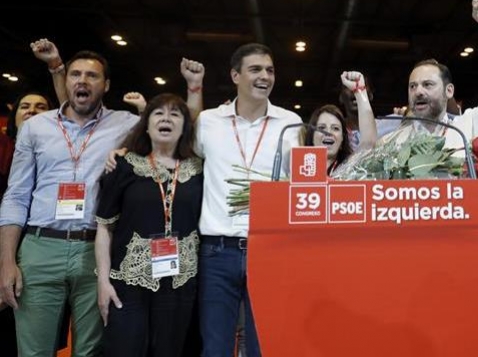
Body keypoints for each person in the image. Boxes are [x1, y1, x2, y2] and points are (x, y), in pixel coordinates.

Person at [0, 50, 141, 356]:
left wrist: (189, 94)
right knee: (34, 351)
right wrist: (6, 261)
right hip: (40, 248)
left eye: (92, 76)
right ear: (66, 81)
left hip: (96, 250)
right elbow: (16, 195)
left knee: (89, 352)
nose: (83, 81)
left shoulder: (126, 125)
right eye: (76, 74)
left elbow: (177, 128)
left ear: (105, 85)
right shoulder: (36, 127)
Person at [194, 43, 301, 357]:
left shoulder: (290, 123)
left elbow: (298, 184)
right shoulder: (208, 122)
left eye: (269, 70)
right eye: (255, 69)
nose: (264, 76)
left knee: (263, 346)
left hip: (269, 248)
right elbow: (179, 159)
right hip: (217, 250)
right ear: (235, 75)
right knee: (215, 347)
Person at [95, 94, 203, 357]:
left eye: (175, 114)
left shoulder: (200, 170)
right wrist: (103, 282)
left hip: (181, 282)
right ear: (145, 124)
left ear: (185, 127)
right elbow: (104, 228)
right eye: (158, 113)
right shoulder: (123, 165)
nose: (166, 118)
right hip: (128, 282)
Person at [378, 0, 478, 152]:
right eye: (413, 86)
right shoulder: (391, 144)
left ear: (449, 91)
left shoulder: (469, 125)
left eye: (427, 84)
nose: (418, 92)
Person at [0, 91, 52, 357]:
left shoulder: (54, 158)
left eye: (41, 107)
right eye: (25, 106)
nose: (32, 111)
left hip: (36, 256)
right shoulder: (2, 149)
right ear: (14, 115)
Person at [306, 71, 377, 174]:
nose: (328, 133)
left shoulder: (350, 169)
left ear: (343, 140)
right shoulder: (298, 168)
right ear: (312, 137)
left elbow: (369, 143)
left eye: (335, 128)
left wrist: (359, 90)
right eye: (322, 128)